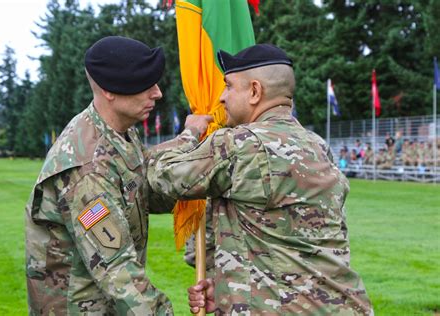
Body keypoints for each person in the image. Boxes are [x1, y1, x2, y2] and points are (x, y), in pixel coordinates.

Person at [147, 44, 373, 315]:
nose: (220, 97)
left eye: (229, 86)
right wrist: (225, 288)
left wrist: (190, 133)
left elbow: (161, 175)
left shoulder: (242, 144)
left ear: (255, 92)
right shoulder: (316, 145)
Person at [24, 36, 198, 315]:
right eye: (145, 85)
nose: (157, 93)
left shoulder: (120, 132)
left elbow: (146, 189)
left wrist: (192, 143)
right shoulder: (86, 168)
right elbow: (118, 271)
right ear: (110, 91)